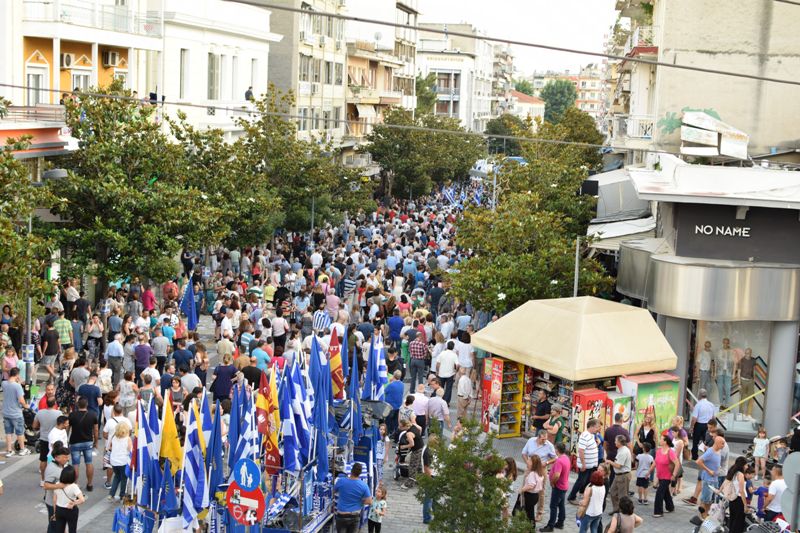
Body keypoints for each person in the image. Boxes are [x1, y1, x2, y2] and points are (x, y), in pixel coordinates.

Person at [68, 397, 98, 490]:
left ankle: (75, 485)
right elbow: (96, 430)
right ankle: (89, 484)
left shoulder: (72, 415)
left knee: (75, 464)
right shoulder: (93, 415)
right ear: (87, 405)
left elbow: (67, 429)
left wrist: (66, 440)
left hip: (75, 442)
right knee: (89, 463)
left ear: (77, 405)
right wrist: (95, 442)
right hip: (88, 442)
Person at [568, 418, 600, 504]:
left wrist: (596, 444)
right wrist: (583, 464)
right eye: (597, 427)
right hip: (586, 465)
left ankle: (582, 492)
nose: (598, 429)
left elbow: (590, 447)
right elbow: (581, 451)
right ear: (592, 427)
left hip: (591, 465)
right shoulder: (585, 435)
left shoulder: (592, 435)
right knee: (581, 481)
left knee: (587, 480)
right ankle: (572, 497)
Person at [334, 462, 372, 533]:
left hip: (342, 514)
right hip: (354, 515)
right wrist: (360, 501)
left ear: (351, 470)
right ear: (360, 473)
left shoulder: (341, 481)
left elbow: (333, 491)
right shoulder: (364, 485)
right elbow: (369, 501)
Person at [647, 433, 679, 517]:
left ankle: (658, 512)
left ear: (665, 442)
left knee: (659, 493)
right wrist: (649, 472)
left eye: (661, 439)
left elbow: (677, 463)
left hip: (668, 476)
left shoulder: (670, 452)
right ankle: (670, 507)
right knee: (666, 493)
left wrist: (674, 475)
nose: (659, 440)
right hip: (660, 476)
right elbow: (655, 463)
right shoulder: (658, 451)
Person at [541, 442, 570, 532]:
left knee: (553, 506)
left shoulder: (559, 461)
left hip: (558, 487)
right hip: (564, 486)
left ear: (557, 450)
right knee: (561, 505)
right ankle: (560, 522)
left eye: (555, 448)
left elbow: (557, 475)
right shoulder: (566, 458)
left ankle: (550, 526)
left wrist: (552, 483)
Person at [34, 396, 63, 484]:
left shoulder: (40, 413)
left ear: (46, 403)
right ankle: (56, 478)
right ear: (55, 404)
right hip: (55, 440)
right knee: (57, 459)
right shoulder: (58, 413)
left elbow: (34, 426)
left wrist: (41, 426)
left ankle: (43, 479)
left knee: (43, 460)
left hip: (44, 438)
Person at [3, 367, 30, 456]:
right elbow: (21, 400)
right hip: (16, 413)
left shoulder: (4, 383)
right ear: (17, 375)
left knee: (8, 432)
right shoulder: (17, 386)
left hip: (6, 412)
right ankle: (22, 449)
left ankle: (9, 450)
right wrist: (26, 406)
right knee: (20, 432)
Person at [44, 444, 71, 533]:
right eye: (64, 457)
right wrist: (61, 485)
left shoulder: (63, 465)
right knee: (54, 526)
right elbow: (46, 485)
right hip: (53, 503)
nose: (67, 459)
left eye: (67, 457)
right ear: (56, 457)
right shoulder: (52, 468)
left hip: (61, 502)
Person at [697, 435, 725, 518]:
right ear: (717, 443)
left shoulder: (718, 451)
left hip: (715, 479)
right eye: (722, 443)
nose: (724, 445)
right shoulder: (710, 452)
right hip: (708, 479)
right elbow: (698, 461)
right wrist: (709, 470)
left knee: (710, 500)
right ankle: (703, 516)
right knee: (706, 500)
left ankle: (706, 514)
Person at [53, 465, 85, 533]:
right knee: (72, 530)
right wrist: (74, 503)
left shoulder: (57, 484)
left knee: (59, 530)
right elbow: (82, 499)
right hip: (71, 510)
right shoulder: (74, 486)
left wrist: (55, 513)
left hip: (59, 510)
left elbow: (54, 500)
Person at [607, 434, 632, 514]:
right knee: (613, 492)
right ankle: (617, 509)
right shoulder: (620, 449)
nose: (614, 442)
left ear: (619, 442)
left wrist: (610, 462)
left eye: (615, 441)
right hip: (618, 475)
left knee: (623, 496)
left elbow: (618, 465)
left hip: (623, 476)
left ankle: (624, 512)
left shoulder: (623, 451)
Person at [107, 423, 132, 501]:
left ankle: (111, 494)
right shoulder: (127, 439)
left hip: (114, 461)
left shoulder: (114, 437)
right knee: (124, 478)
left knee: (117, 477)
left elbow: (109, 448)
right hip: (123, 461)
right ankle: (122, 495)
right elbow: (130, 449)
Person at [519, 454, 545, 530]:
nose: (528, 461)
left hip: (530, 495)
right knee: (530, 511)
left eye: (530, 460)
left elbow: (531, 485)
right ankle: (530, 527)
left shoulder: (532, 474)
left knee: (529, 513)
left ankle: (530, 528)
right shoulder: (539, 473)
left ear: (533, 463)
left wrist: (522, 489)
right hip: (535, 495)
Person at [724, 456, 748, 533]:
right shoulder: (740, 474)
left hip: (733, 499)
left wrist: (720, 490)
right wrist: (745, 504)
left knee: (733, 520)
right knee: (738, 523)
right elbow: (741, 491)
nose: (747, 466)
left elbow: (726, 481)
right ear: (743, 465)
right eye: (746, 465)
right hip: (739, 500)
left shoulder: (733, 472)